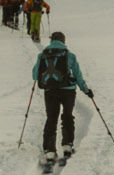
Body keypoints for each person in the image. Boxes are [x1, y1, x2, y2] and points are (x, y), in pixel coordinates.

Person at [34, 31, 93, 166]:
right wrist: (86, 90)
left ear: (51, 41)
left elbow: (34, 75)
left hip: (50, 91)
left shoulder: (42, 56)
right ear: (63, 41)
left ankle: (49, 150)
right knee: (67, 115)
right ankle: (67, 146)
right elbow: (78, 75)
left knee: (51, 118)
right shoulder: (70, 55)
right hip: (68, 92)